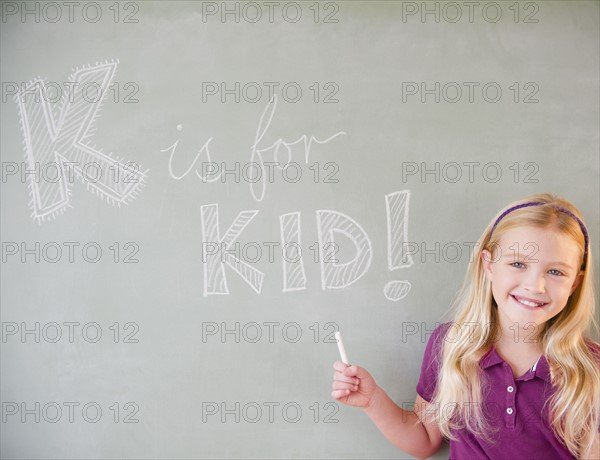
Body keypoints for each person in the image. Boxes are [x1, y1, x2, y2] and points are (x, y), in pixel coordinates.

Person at [331, 193, 600, 459]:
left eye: (555, 272)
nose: (535, 286)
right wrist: (372, 400)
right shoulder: (451, 345)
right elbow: (424, 440)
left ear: (574, 283)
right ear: (489, 265)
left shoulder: (590, 368)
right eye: (518, 264)